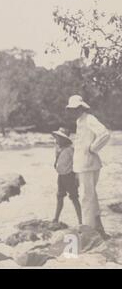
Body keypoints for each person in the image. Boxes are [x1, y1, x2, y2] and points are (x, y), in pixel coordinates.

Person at [66, 95, 111, 239]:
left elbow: (104, 133)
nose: (73, 111)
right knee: (91, 196)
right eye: (71, 109)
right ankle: (97, 228)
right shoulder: (80, 120)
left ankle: (88, 231)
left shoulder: (89, 118)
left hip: (89, 164)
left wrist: (93, 148)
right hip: (83, 164)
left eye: (75, 108)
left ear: (81, 107)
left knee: (87, 197)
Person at [51, 127, 82, 225]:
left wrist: (77, 177)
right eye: (57, 137)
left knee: (74, 198)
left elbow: (77, 163)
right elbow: (57, 161)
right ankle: (56, 218)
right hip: (61, 175)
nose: (57, 139)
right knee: (59, 196)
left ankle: (80, 221)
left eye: (59, 138)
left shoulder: (70, 149)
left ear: (65, 139)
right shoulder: (58, 148)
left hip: (69, 176)